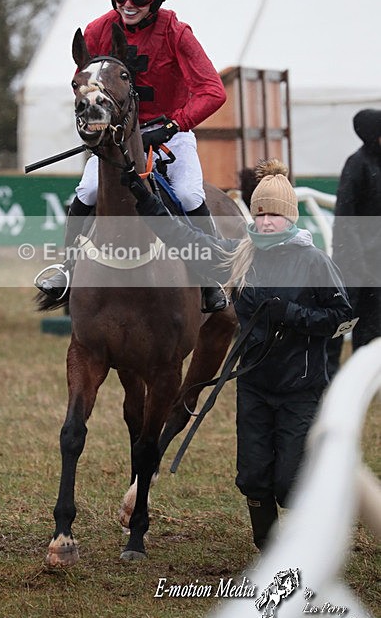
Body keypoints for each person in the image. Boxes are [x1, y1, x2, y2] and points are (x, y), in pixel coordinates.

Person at [124, 158, 352, 550]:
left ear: (290, 218)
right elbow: (184, 239)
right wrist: (144, 197)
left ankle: (311, 533)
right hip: (254, 386)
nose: (266, 223)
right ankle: (268, 548)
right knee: (252, 476)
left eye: (275, 216)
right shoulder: (240, 256)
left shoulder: (315, 262)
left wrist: (291, 314)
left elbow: (343, 319)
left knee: (288, 482)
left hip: (301, 388)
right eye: (261, 214)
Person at [36, 0, 228, 311]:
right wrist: (96, 119)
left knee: (188, 195)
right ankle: (68, 267)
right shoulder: (97, 31)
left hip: (169, 132)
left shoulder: (176, 32)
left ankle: (210, 276)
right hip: (117, 134)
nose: (128, 3)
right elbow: (82, 82)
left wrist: (173, 125)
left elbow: (213, 91)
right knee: (89, 189)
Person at [327, 108, 381, 377]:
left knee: (372, 325)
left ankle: (364, 378)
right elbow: (345, 217)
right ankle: (328, 376)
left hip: (375, 265)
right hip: (353, 265)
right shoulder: (357, 164)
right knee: (344, 322)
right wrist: (359, 263)